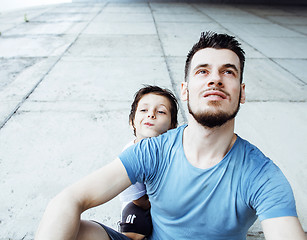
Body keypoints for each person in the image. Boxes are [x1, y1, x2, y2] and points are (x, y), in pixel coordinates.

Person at [35, 31, 307, 240]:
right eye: (203, 71)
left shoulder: (262, 175)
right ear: (186, 90)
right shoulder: (151, 151)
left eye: (228, 71)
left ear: (242, 92)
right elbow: (70, 199)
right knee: (77, 230)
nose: (215, 79)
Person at [118, 85, 178, 240]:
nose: (151, 114)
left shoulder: (175, 150)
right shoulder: (130, 155)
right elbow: (138, 201)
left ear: (172, 126)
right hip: (141, 204)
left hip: (168, 199)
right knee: (134, 230)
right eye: (144, 110)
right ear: (132, 122)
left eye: (161, 111)